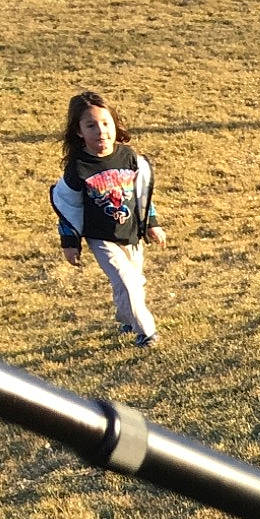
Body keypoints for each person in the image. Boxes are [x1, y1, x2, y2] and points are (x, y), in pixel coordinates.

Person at [50, 90, 166, 347]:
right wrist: (70, 243)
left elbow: (142, 193)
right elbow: (68, 205)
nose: (100, 131)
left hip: (132, 233)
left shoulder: (128, 156)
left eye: (105, 123)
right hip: (101, 238)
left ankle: (127, 319)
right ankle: (146, 332)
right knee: (126, 281)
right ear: (79, 131)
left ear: (115, 124)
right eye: (90, 125)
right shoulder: (78, 167)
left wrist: (152, 223)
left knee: (134, 281)